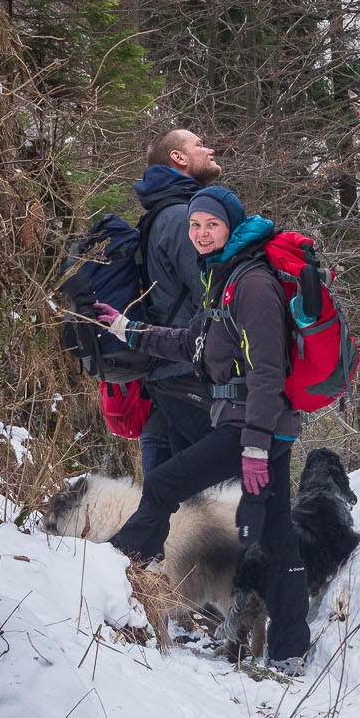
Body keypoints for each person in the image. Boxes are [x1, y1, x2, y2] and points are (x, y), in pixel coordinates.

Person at [96, 184, 311, 672]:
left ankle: (121, 567)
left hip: (251, 429)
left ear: (231, 226)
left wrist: (255, 447)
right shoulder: (226, 279)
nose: (200, 233)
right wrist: (129, 331)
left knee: (165, 483)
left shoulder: (252, 285)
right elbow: (190, 341)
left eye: (211, 224)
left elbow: (268, 373)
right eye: (194, 224)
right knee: (277, 537)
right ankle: (291, 648)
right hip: (257, 429)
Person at [132, 128, 221, 477]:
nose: (209, 148)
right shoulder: (181, 217)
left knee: (169, 504)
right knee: (225, 488)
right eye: (200, 144)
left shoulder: (160, 214)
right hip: (187, 374)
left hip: (167, 374)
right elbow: (212, 294)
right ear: (178, 158)